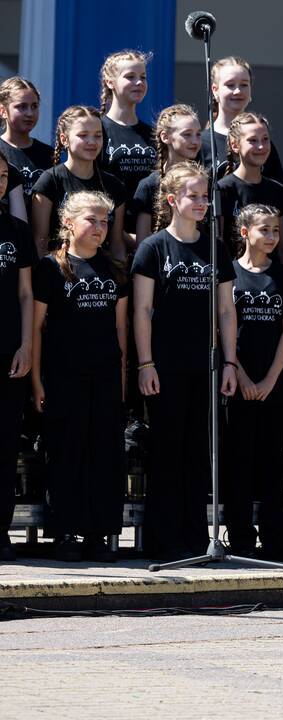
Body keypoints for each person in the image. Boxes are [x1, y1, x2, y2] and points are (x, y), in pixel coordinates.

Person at [131, 161, 238, 560]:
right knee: (167, 452)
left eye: (205, 195)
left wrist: (230, 363)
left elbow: (227, 311)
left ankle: (197, 538)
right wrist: (146, 364)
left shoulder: (217, 246)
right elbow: (142, 310)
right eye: (193, 195)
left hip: (205, 366)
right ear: (173, 200)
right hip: (166, 366)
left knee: (198, 455)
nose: (202, 202)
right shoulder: (154, 247)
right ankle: (164, 540)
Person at [30, 191, 127, 563]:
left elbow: (121, 331)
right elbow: (37, 327)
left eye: (105, 221)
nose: (100, 228)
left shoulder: (113, 269)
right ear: (68, 222)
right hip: (63, 377)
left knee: (104, 455)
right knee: (66, 454)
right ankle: (65, 532)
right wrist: (37, 382)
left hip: (104, 378)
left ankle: (98, 532)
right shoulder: (50, 268)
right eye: (92, 220)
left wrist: (120, 382)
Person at [225, 204, 283, 562]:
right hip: (236, 381)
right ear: (244, 232)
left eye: (275, 231)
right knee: (238, 462)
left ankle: (276, 540)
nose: (271, 237)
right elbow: (220, 325)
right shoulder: (230, 273)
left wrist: (270, 378)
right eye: (264, 230)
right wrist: (238, 373)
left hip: (274, 383)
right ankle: (239, 538)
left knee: (271, 464)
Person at [32, 106, 127, 262]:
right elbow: (40, 240)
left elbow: (117, 243)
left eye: (98, 136)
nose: (92, 142)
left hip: (102, 276)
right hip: (61, 274)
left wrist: (122, 277)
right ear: (64, 139)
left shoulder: (113, 185)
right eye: (83, 135)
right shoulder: (49, 181)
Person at [0, 152, 34, 562]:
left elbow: (26, 295)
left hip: (9, 352)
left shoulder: (17, 230)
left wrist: (26, 345)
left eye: (5, 176)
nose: (0, 181)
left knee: (6, 444)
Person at [201, 57, 283, 193]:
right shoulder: (201, 143)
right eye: (230, 85)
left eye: (244, 84)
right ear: (215, 90)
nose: (238, 91)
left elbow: (277, 198)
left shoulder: (263, 143)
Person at [219, 112, 283, 263]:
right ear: (235, 145)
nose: (261, 146)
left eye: (265, 139)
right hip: (235, 280)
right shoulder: (222, 189)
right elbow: (219, 243)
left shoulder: (276, 190)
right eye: (252, 140)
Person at [98, 50, 156, 237]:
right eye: (130, 77)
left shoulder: (153, 134)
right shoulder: (97, 131)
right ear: (110, 82)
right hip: (107, 236)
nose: (139, 82)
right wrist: (120, 237)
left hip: (148, 235)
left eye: (143, 77)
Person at [132, 104, 202, 244]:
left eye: (198, 134)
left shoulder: (206, 182)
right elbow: (142, 241)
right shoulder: (149, 185)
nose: (195, 141)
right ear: (165, 137)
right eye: (187, 134)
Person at [0, 77, 52, 222]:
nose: (29, 113)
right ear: (3, 111)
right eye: (21, 107)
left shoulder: (48, 154)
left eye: (34, 106)